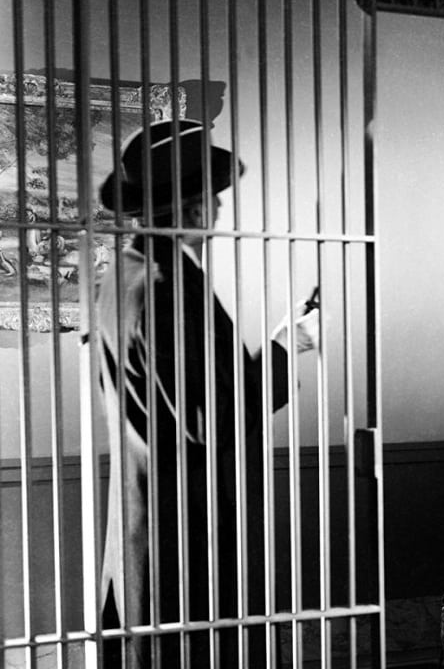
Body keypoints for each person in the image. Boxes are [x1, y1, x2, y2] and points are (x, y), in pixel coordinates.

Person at [94, 119, 319, 668]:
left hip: (142, 515)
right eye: (211, 196)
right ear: (193, 208)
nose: (218, 208)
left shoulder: (125, 274)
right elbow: (210, 417)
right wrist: (286, 347)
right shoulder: (168, 286)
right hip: (186, 523)